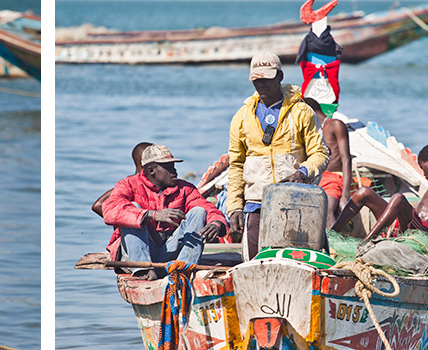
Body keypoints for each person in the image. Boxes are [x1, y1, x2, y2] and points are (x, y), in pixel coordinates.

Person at [226, 52, 328, 259]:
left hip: (297, 200)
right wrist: (234, 207)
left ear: (279, 76)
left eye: (266, 77)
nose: (261, 83)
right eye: (256, 78)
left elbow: (320, 153)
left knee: (306, 263)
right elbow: (236, 165)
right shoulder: (242, 117)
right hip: (256, 203)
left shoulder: (301, 111)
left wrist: (302, 172)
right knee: (254, 264)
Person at [102, 144, 228, 280]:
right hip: (135, 256)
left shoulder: (185, 188)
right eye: (168, 168)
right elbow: (110, 210)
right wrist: (151, 215)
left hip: (169, 252)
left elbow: (208, 208)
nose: (175, 172)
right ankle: (143, 270)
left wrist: (217, 223)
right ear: (151, 171)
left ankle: (183, 270)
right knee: (132, 207)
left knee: (199, 211)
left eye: (174, 167)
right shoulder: (128, 184)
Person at [333, 145, 428, 257]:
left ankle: (366, 242)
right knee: (364, 192)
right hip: (405, 226)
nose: (424, 175)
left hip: (418, 233)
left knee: (399, 198)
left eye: (422, 168)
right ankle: (331, 235)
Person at [303, 97, 368, 228]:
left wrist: (345, 196)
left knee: (326, 210)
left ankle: (334, 246)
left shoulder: (335, 125)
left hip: (334, 178)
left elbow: (346, 159)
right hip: (316, 179)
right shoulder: (311, 131)